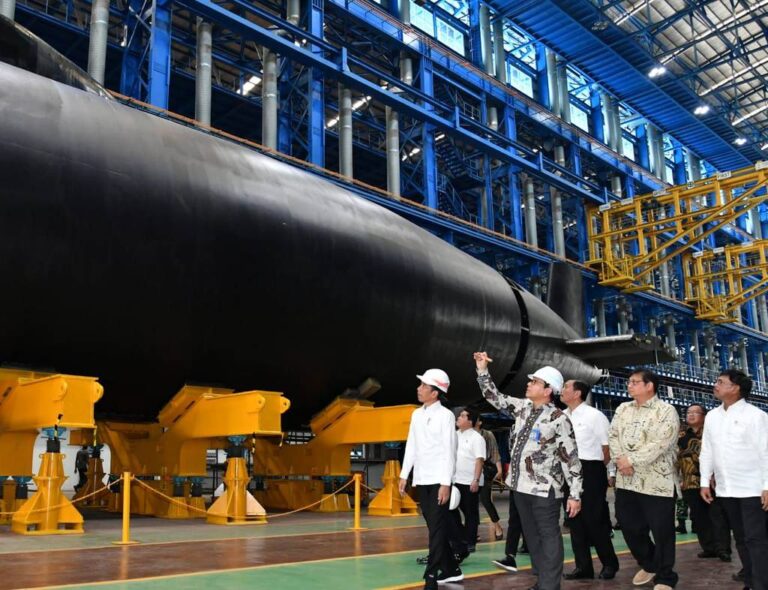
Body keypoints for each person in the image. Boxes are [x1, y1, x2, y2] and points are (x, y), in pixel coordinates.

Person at [474, 352, 582, 590]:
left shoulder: (558, 419)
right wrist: (482, 370)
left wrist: (574, 494)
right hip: (520, 487)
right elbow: (494, 396)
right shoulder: (522, 408)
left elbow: (571, 458)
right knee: (532, 538)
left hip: (545, 490)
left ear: (548, 390)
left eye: (535, 382)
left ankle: (550, 585)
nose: (529, 383)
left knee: (549, 537)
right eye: (531, 380)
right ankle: (542, 579)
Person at [608, 369, 680, 590]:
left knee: (662, 531)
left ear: (650, 386)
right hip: (627, 481)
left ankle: (666, 576)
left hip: (657, 482)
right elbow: (613, 436)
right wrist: (621, 461)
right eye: (629, 382)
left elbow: (661, 444)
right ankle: (650, 563)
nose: (629, 385)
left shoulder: (666, 411)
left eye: (635, 382)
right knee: (629, 526)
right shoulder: (623, 409)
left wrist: (630, 460)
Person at [700, 369, 768, 590]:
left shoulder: (756, 416)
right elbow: (707, 451)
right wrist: (704, 481)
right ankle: (750, 581)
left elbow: (766, 452)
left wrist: (767, 485)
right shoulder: (712, 416)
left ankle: (761, 584)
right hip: (726, 489)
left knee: (755, 539)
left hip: (752, 488)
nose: (715, 384)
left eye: (720, 382)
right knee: (740, 539)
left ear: (735, 388)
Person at [399, 368, 461, 590]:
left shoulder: (446, 416)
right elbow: (412, 446)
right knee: (434, 527)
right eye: (421, 385)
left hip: (439, 480)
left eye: (424, 386)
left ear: (435, 393)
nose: (419, 388)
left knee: (436, 528)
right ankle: (452, 568)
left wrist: (446, 483)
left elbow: (449, 452)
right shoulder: (417, 414)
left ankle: (431, 575)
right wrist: (404, 474)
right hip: (422, 479)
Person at [560, 380, 619, 580]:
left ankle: (610, 564)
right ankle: (583, 567)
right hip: (568, 471)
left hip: (591, 469)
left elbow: (607, 447)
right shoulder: (561, 416)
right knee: (574, 522)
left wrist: (607, 473)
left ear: (577, 393)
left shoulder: (594, 416)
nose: (562, 390)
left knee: (595, 520)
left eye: (566, 387)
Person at [677, 404, 723, 559]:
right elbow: (675, 458)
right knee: (699, 517)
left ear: (704, 416)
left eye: (695, 412)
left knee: (716, 515)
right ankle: (708, 547)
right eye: (688, 412)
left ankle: (722, 548)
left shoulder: (712, 432)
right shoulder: (681, 434)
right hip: (690, 482)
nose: (690, 415)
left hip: (712, 482)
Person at [451, 408, 486, 557]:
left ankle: (471, 541)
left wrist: (476, 480)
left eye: (463, 416)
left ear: (470, 420)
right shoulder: (454, 435)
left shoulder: (476, 438)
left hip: (470, 481)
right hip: (454, 480)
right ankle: (461, 537)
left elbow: (479, 460)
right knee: (452, 510)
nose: (459, 417)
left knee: (470, 512)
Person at [475, 416, 504, 541]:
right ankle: (473, 531)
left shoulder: (487, 434)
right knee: (470, 503)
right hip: (467, 470)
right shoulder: (464, 435)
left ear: (480, 422)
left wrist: (500, 469)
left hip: (485, 469)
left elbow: (494, 451)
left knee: (486, 499)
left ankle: (497, 526)